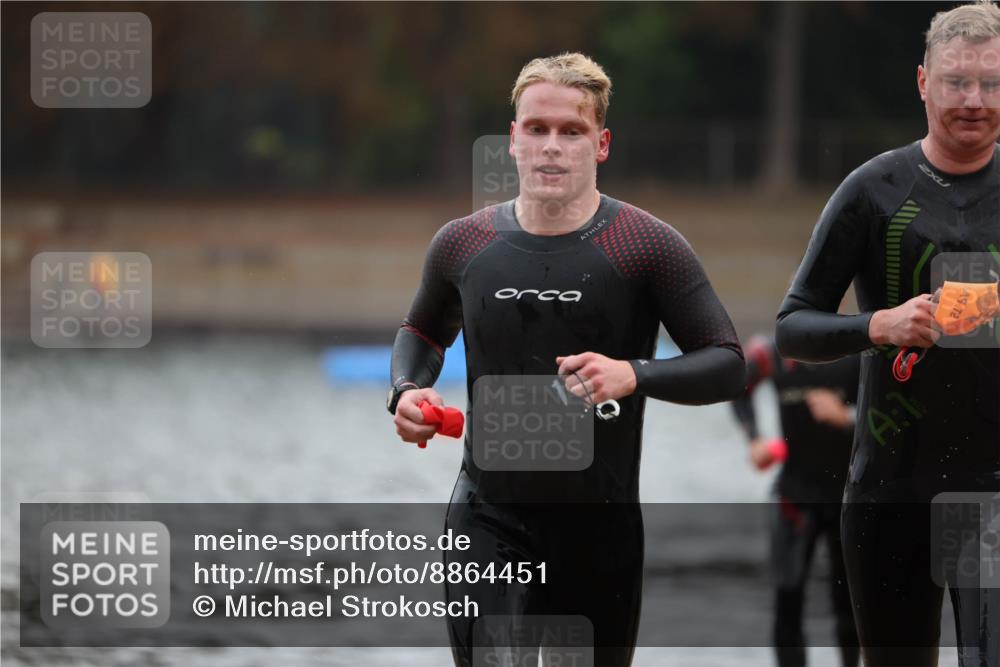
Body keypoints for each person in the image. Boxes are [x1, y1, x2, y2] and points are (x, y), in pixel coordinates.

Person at [388, 52, 745, 666]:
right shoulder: (463, 243)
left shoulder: (646, 246)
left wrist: (633, 374)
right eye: (537, 128)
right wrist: (405, 391)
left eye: (571, 131)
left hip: (599, 533)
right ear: (513, 139)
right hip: (487, 520)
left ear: (601, 144)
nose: (552, 146)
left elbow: (728, 363)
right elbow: (422, 332)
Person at [775, 3, 1000, 665]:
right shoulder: (872, 191)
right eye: (957, 82)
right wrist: (880, 324)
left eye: (991, 83)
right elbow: (793, 328)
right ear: (924, 82)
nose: (974, 99)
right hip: (890, 489)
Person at [732, 335, 861, 667]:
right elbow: (737, 387)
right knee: (787, 597)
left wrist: (847, 416)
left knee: (850, 603)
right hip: (794, 498)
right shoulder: (771, 353)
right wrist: (754, 438)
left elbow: (895, 409)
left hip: (849, 498)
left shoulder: (858, 351)